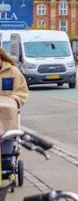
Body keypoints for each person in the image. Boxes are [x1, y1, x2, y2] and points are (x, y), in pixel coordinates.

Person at [0, 46, 29, 175]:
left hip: (6, 114)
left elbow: (22, 91)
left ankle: (6, 156)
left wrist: (15, 98)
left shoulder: (12, 72)